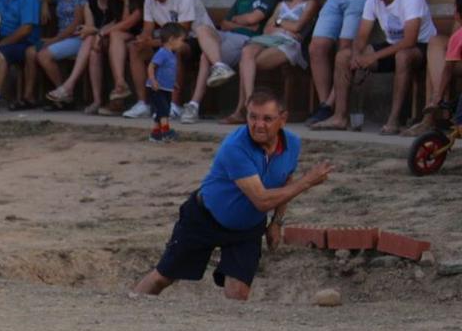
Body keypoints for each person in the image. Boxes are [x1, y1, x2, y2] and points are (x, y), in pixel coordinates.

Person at [132, 89, 333, 301]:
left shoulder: (292, 143)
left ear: (283, 120)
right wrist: (308, 181)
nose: (258, 125)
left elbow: (286, 180)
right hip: (205, 218)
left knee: (238, 292)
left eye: (267, 118)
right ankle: (132, 307)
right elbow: (262, 200)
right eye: (252, 117)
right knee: (163, 277)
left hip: (247, 227)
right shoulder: (235, 146)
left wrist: (277, 222)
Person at [313, 0, 434, 134]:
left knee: (403, 56)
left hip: (421, 48)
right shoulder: (373, 0)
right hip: (392, 45)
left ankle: (393, 120)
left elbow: (409, 41)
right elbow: (362, 35)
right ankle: (339, 117)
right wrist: (356, 55)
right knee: (343, 57)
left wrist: (373, 57)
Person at [122, 0, 234, 124]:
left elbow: (183, 32)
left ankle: (174, 105)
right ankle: (143, 104)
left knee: (175, 48)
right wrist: (143, 39)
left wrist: (152, 42)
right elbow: (148, 27)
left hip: (195, 40)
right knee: (135, 49)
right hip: (167, 39)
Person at [226, 0, 320, 124]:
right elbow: (267, 30)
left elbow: (298, 26)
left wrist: (278, 23)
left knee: (247, 63)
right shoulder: (281, 4)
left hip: (290, 44)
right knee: (247, 52)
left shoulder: (310, 3)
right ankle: (249, 103)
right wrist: (285, 27)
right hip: (272, 39)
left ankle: (242, 110)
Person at [209, 0, 282, 124]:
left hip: (254, 43)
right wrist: (243, 22)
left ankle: (243, 109)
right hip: (232, 39)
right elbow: (224, 24)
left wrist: (239, 20)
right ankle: (194, 104)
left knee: (241, 55)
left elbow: (254, 19)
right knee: (206, 53)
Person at [43, 0, 114, 112]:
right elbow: (89, 29)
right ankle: (96, 101)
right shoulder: (90, 3)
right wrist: (93, 31)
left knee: (90, 41)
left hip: (114, 41)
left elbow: (117, 24)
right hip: (97, 42)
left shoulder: (116, 1)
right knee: (91, 45)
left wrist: (94, 31)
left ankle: (68, 87)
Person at [29, 0, 91, 111]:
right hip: (63, 39)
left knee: (43, 55)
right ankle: (32, 97)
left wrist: (53, 40)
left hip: (78, 38)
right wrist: (44, 4)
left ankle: (65, 94)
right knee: (30, 51)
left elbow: (76, 24)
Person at [409, 0, 462, 135]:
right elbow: (448, 67)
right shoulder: (456, 38)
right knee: (435, 45)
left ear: (456, 13)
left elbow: (448, 69)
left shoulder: (457, 38)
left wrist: (438, 95)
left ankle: (436, 106)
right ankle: (436, 114)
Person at [99, 0, 148, 115]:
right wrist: (100, 33)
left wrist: (101, 34)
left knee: (114, 36)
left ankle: (119, 90)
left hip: (145, 36)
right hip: (129, 37)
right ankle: (120, 86)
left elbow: (127, 24)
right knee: (104, 42)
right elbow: (119, 24)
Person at [147, 23, 183, 143]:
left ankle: (156, 133)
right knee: (164, 109)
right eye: (180, 40)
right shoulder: (162, 52)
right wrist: (153, 80)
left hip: (166, 88)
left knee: (161, 110)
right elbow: (151, 66)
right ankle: (166, 131)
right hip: (157, 88)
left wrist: (173, 82)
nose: (182, 44)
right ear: (172, 39)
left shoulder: (172, 55)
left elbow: (168, 71)